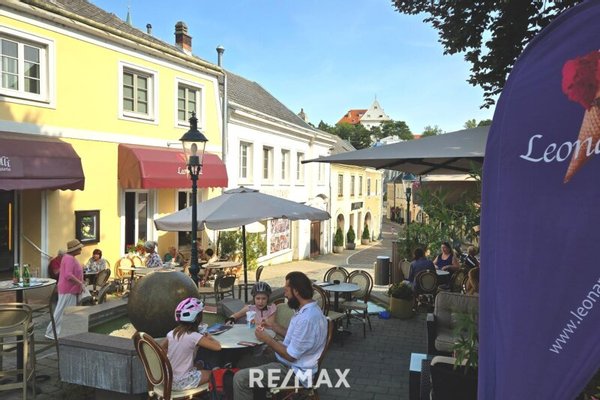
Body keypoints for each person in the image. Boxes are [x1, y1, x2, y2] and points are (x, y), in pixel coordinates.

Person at [233, 271, 328, 400]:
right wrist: (273, 326)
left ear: (296, 291)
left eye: (287, 290)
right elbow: (296, 337)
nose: (285, 294)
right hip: (290, 363)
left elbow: (290, 356)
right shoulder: (309, 311)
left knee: (240, 378)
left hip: (294, 372)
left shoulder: (307, 319)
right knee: (244, 361)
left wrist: (267, 339)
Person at [160, 298, 221, 391]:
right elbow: (217, 347)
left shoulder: (172, 333)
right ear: (197, 318)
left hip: (168, 380)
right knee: (215, 373)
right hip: (182, 382)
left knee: (199, 365)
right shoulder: (194, 336)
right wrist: (210, 337)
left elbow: (161, 348)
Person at [45, 239, 86, 339]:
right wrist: (80, 283)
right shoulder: (69, 259)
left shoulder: (69, 258)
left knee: (67, 311)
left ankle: (63, 331)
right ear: (74, 249)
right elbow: (68, 275)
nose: (81, 249)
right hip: (68, 290)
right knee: (62, 311)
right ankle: (52, 332)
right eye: (79, 248)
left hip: (70, 290)